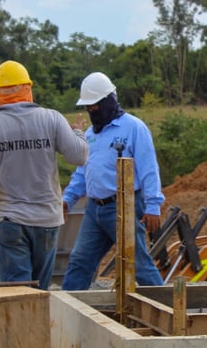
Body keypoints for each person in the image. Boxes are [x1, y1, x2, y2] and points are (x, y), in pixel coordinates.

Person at [0, 60, 89, 290]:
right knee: (39, 291)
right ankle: (38, 325)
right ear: (28, 88)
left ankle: (20, 326)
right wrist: (79, 133)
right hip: (47, 220)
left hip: (10, 221)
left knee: (17, 292)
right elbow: (79, 156)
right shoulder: (51, 118)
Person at [61, 71, 164, 289]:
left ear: (109, 100)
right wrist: (67, 199)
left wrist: (153, 205)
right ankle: (67, 311)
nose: (91, 111)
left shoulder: (134, 128)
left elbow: (149, 169)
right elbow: (83, 171)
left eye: (95, 106)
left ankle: (168, 312)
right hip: (94, 209)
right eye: (88, 108)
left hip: (123, 206)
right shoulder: (91, 133)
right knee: (80, 261)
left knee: (137, 264)